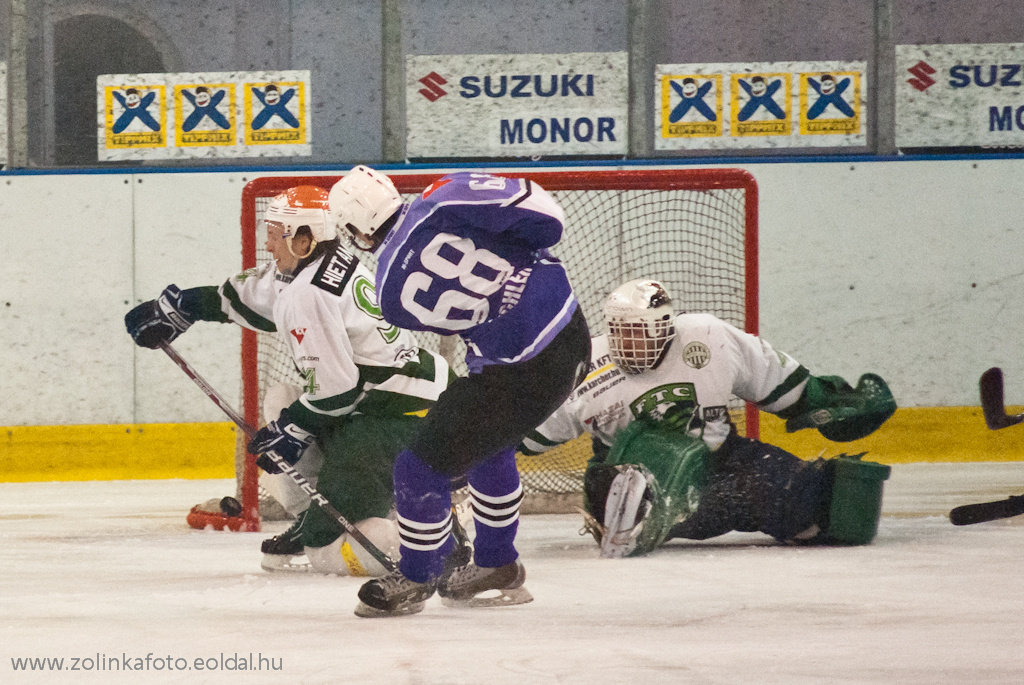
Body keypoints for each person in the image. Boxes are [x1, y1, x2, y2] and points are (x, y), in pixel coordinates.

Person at [124, 185, 453, 576]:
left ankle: (437, 543)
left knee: (325, 554)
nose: (268, 243)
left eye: (276, 233)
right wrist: (181, 306)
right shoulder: (322, 261)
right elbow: (251, 293)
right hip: (393, 398)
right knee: (282, 398)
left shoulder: (308, 294)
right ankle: (312, 516)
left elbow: (337, 389)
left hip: (397, 416)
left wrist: (292, 430)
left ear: (304, 238)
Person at [328, 166, 591, 617]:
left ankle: (416, 575)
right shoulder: (445, 194)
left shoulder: (389, 290)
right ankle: (497, 563)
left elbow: (468, 322)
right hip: (571, 336)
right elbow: (548, 218)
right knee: (490, 444)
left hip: (521, 370)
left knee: (417, 469)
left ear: (356, 230)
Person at [520, 278, 897, 558]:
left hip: (720, 462)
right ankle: (630, 506)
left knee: (821, 504)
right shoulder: (588, 366)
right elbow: (522, 434)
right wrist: (472, 449)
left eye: (639, 333)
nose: (628, 344)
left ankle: (644, 517)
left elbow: (785, 388)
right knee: (624, 477)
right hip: (625, 466)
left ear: (666, 326)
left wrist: (830, 404)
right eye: (621, 333)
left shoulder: (711, 338)